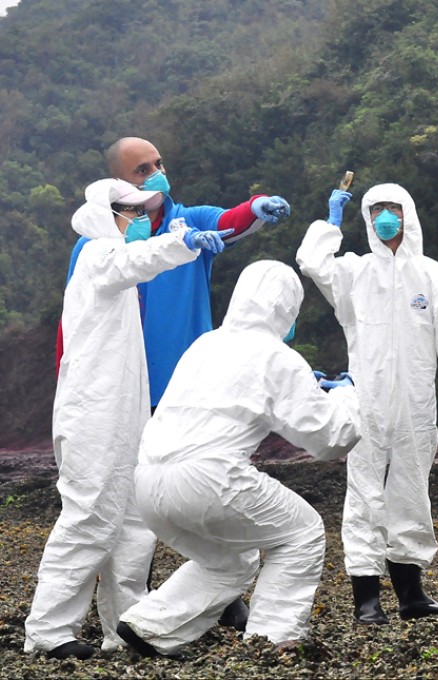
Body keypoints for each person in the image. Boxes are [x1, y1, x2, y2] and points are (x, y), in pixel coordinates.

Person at [56, 136, 290, 629]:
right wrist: (70, 385)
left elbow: (230, 220)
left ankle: (219, 592)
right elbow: (71, 327)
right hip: (127, 391)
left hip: (192, 388)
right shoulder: (105, 249)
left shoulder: (190, 221)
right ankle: (120, 613)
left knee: (201, 487)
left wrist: (257, 207)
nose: (157, 175)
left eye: (159, 163)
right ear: (118, 186)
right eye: (143, 170)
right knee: (131, 507)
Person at [24, 179, 233, 660]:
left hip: (125, 409)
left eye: (143, 212)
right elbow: (135, 260)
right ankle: (49, 631)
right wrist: (180, 242)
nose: (139, 219)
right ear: (105, 213)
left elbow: (139, 264)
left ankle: (126, 627)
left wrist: (176, 239)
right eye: (130, 211)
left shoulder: (120, 280)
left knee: (134, 520)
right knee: (89, 515)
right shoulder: (98, 254)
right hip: (93, 413)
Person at [115, 260, 362, 658]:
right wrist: (347, 394)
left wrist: (306, 389)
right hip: (208, 480)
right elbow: (331, 439)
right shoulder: (277, 357)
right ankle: (272, 638)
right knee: (302, 533)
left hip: (147, 483)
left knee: (231, 561)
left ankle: (149, 624)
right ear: (286, 310)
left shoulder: (205, 344)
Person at [296, 182, 438, 625]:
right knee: (364, 496)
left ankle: (412, 595)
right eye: (376, 209)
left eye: (392, 208)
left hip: (416, 405)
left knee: (412, 495)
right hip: (367, 402)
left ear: (408, 213)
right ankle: (366, 600)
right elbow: (311, 262)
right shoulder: (354, 273)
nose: (385, 216)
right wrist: (330, 223)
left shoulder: (433, 275)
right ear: (366, 216)